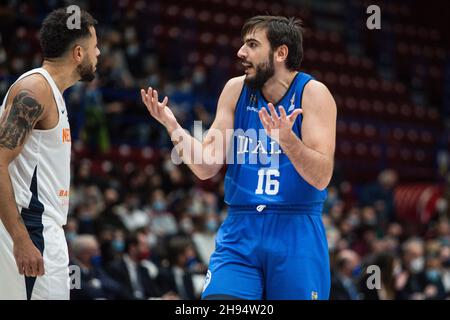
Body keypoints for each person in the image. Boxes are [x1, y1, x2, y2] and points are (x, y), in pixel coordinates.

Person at [141, 15, 336, 299]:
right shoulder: (235, 89)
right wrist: (174, 126)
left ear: (281, 53)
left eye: (252, 45)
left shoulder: (313, 94)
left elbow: (321, 176)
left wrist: (288, 140)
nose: (241, 53)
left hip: (295, 230)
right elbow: (207, 166)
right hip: (241, 229)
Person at [0, 8, 100, 300]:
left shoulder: (50, 92)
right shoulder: (35, 89)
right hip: (29, 230)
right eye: (95, 46)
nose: (100, 52)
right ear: (79, 53)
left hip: (41, 230)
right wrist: (20, 238)